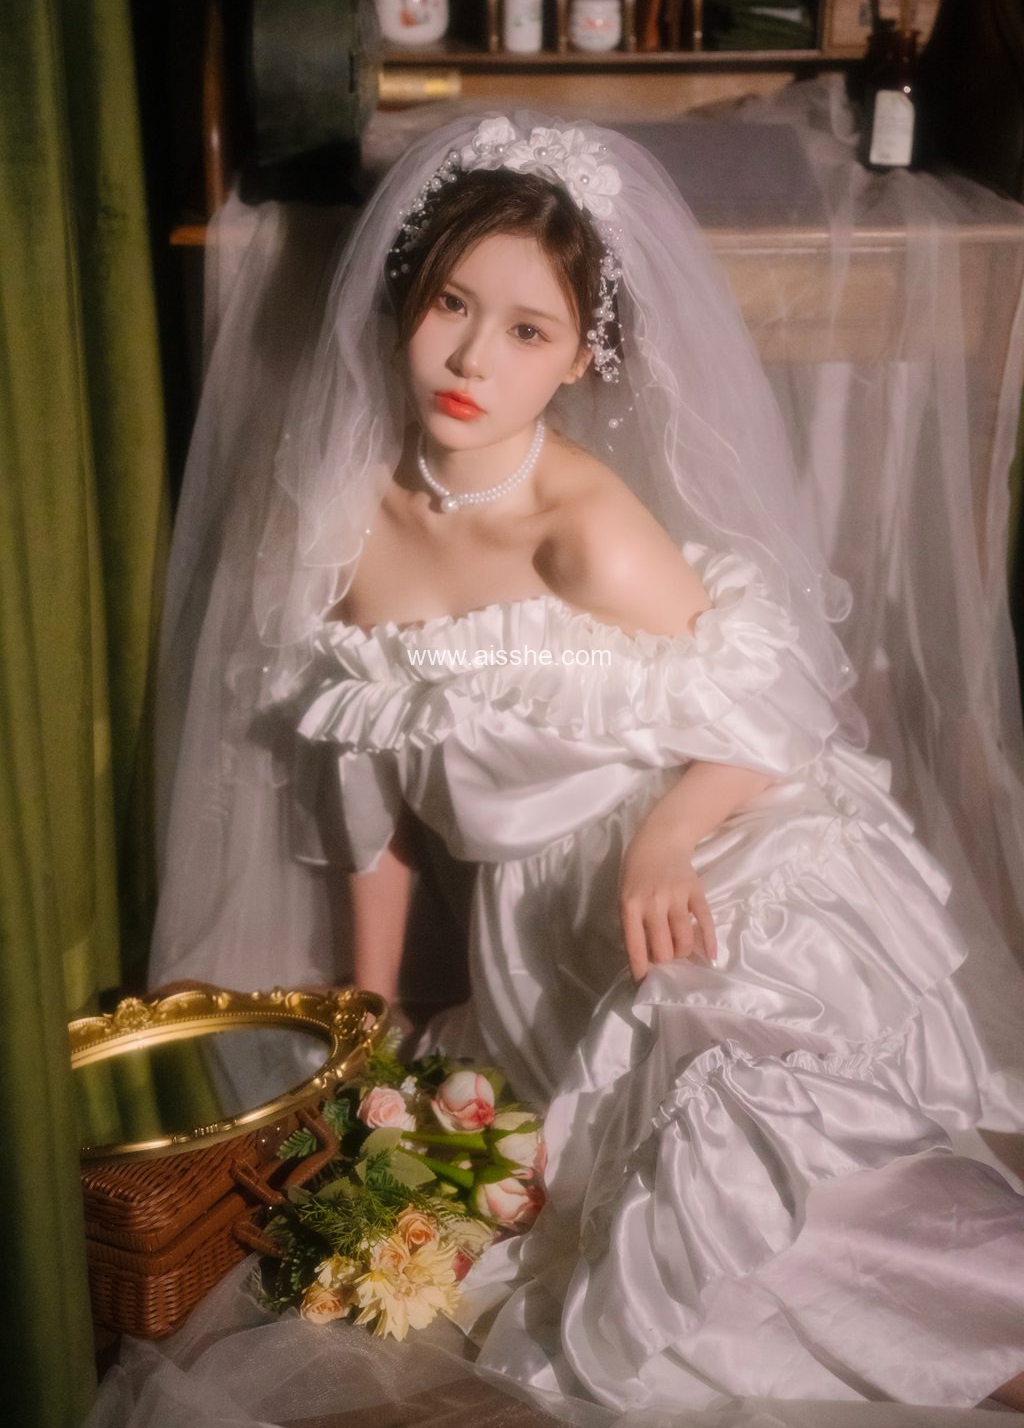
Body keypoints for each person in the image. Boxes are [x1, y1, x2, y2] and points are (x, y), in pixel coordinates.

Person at [147, 113, 1024, 1419]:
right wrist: (366, 1027)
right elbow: (372, 809)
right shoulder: (340, 519)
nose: (471, 359)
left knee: (745, 1163)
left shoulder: (590, 534)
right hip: (535, 933)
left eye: (527, 331)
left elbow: (780, 715)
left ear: (579, 358)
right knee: (593, 1216)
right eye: (452, 304)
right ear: (404, 296)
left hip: (699, 855)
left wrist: (667, 838)